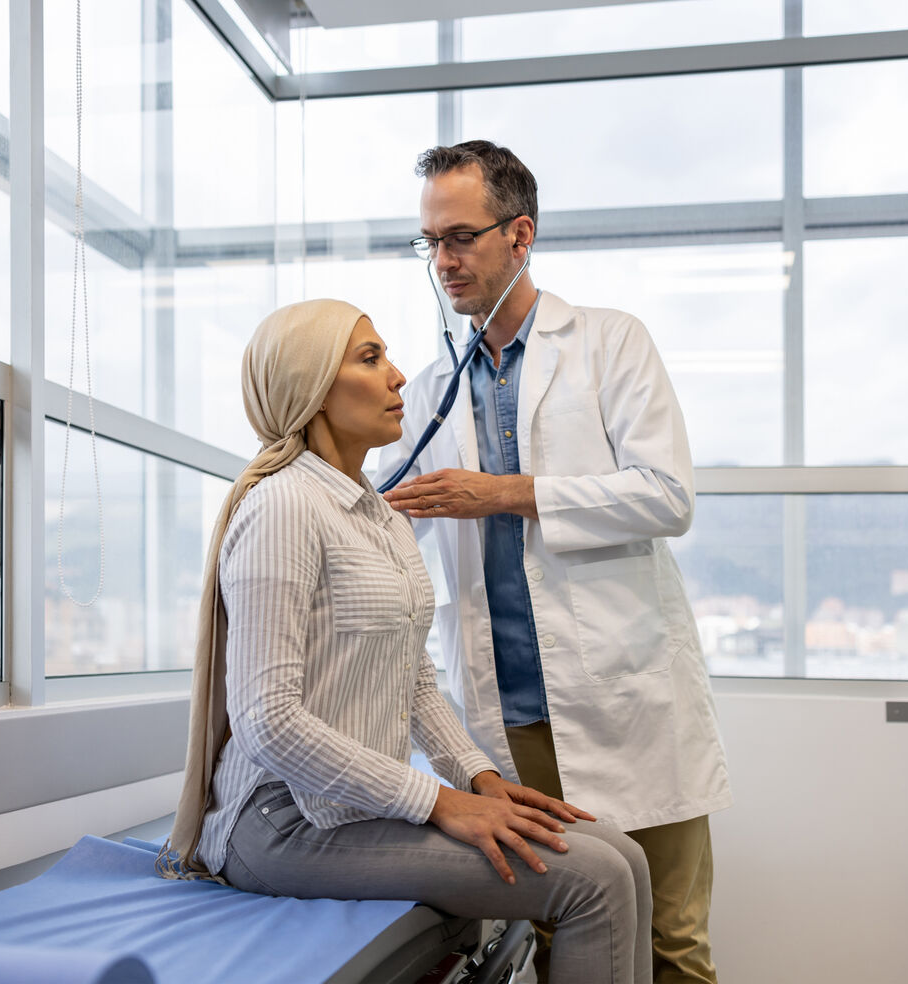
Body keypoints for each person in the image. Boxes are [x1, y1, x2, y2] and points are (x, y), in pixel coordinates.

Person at [159, 298, 652, 984]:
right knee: (591, 879)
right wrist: (441, 803)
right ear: (312, 389)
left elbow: (412, 674)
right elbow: (266, 721)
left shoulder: (378, 515)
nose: (397, 378)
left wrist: (478, 778)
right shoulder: (282, 506)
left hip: (352, 810)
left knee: (622, 857)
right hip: (280, 824)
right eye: (370, 358)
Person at [378, 141, 731, 984]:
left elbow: (665, 496)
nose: (443, 261)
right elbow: (390, 525)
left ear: (520, 234)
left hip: (627, 697)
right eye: (429, 242)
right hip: (507, 716)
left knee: (672, 941)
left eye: (460, 237)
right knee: (556, 933)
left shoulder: (610, 344)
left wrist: (503, 494)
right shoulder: (431, 388)